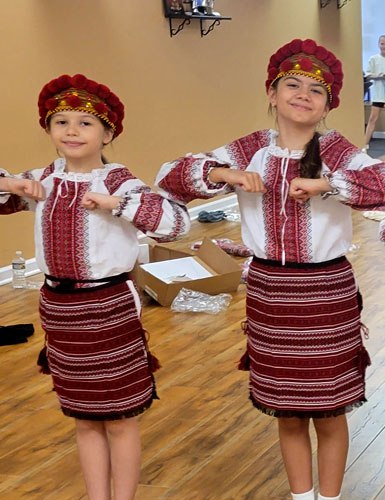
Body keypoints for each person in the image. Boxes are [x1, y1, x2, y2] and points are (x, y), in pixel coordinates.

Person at [155, 39, 385, 500]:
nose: (302, 94)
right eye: (291, 85)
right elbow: (170, 175)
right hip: (269, 291)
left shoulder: (338, 151)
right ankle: (302, 497)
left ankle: (330, 497)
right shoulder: (251, 149)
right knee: (289, 409)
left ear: (328, 105)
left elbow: (379, 181)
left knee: (329, 406)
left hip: (325, 290)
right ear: (273, 93)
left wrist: (328, 183)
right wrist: (225, 175)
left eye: (315, 91)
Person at [0, 73, 190, 500]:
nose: (71, 130)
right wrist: (9, 183)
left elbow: (176, 223)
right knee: (84, 416)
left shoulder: (119, 181)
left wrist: (117, 205)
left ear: (108, 133)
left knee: (119, 414)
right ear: (48, 130)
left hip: (108, 308)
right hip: (59, 311)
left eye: (85, 123)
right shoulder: (42, 180)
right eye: (61, 121)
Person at [364, 35, 385, 150]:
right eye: (382, 43)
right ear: (378, 45)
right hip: (379, 94)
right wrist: (379, 76)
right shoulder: (374, 59)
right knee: (373, 118)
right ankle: (365, 144)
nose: (384, 46)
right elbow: (368, 75)